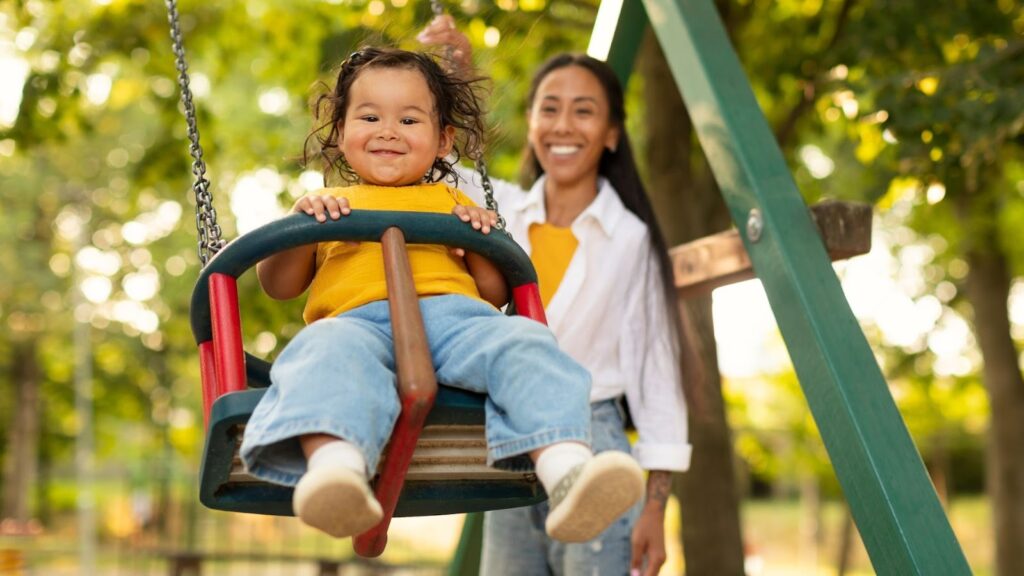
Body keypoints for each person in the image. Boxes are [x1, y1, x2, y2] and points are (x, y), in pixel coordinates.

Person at [238, 46, 646, 544]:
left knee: (523, 341)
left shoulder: (454, 200)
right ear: (341, 132)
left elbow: (496, 293)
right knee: (322, 354)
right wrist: (299, 226)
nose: (388, 130)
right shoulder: (329, 206)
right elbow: (278, 285)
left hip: (457, 322)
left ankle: (567, 471)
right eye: (369, 116)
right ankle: (336, 475)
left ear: (442, 140)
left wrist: (479, 240)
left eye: (409, 119)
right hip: (353, 325)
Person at [419, 18, 693, 576]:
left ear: (613, 133)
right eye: (549, 107)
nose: (563, 125)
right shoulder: (503, 213)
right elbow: (439, 167)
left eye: (584, 110)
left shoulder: (629, 237)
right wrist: (455, 75)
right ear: (530, 123)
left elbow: (656, 374)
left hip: (595, 440)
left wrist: (656, 508)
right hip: (512, 440)